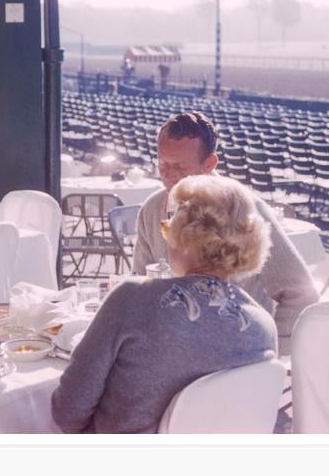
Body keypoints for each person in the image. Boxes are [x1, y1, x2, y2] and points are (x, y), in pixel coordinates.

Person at [52, 175, 277, 433]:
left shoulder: (132, 297)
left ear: (184, 237)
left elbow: (66, 412)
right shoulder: (263, 326)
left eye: (168, 228)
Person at [132, 112, 318, 345]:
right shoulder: (151, 210)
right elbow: (139, 288)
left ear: (209, 165)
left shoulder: (245, 209)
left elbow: (301, 294)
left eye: (180, 167)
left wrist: (268, 346)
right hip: (173, 352)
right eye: (163, 165)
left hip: (236, 356)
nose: (169, 176)